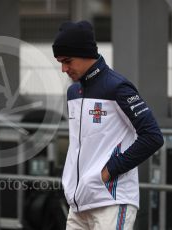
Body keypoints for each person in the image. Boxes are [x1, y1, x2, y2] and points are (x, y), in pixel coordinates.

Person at [52, 20, 164, 230]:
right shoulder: (73, 92)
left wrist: (106, 173)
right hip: (78, 204)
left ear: (86, 53)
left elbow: (152, 136)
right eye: (60, 61)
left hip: (111, 201)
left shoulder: (118, 87)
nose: (63, 68)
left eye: (67, 61)